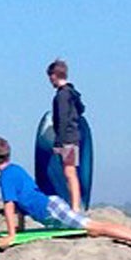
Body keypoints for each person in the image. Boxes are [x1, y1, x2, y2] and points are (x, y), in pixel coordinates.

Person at [0, 137, 131, 247]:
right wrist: (20, 229)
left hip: (51, 211)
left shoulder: (5, 177)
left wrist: (11, 236)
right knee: (93, 229)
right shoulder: (16, 169)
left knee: (95, 227)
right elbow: (21, 203)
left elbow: (9, 205)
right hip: (52, 205)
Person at [47, 59, 87, 212]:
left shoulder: (62, 95)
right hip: (74, 137)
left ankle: (75, 207)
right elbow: (81, 109)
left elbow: (62, 119)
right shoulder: (72, 93)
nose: (50, 80)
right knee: (69, 171)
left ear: (55, 75)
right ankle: (75, 205)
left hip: (67, 139)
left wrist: (58, 143)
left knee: (69, 172)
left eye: (50, 76)